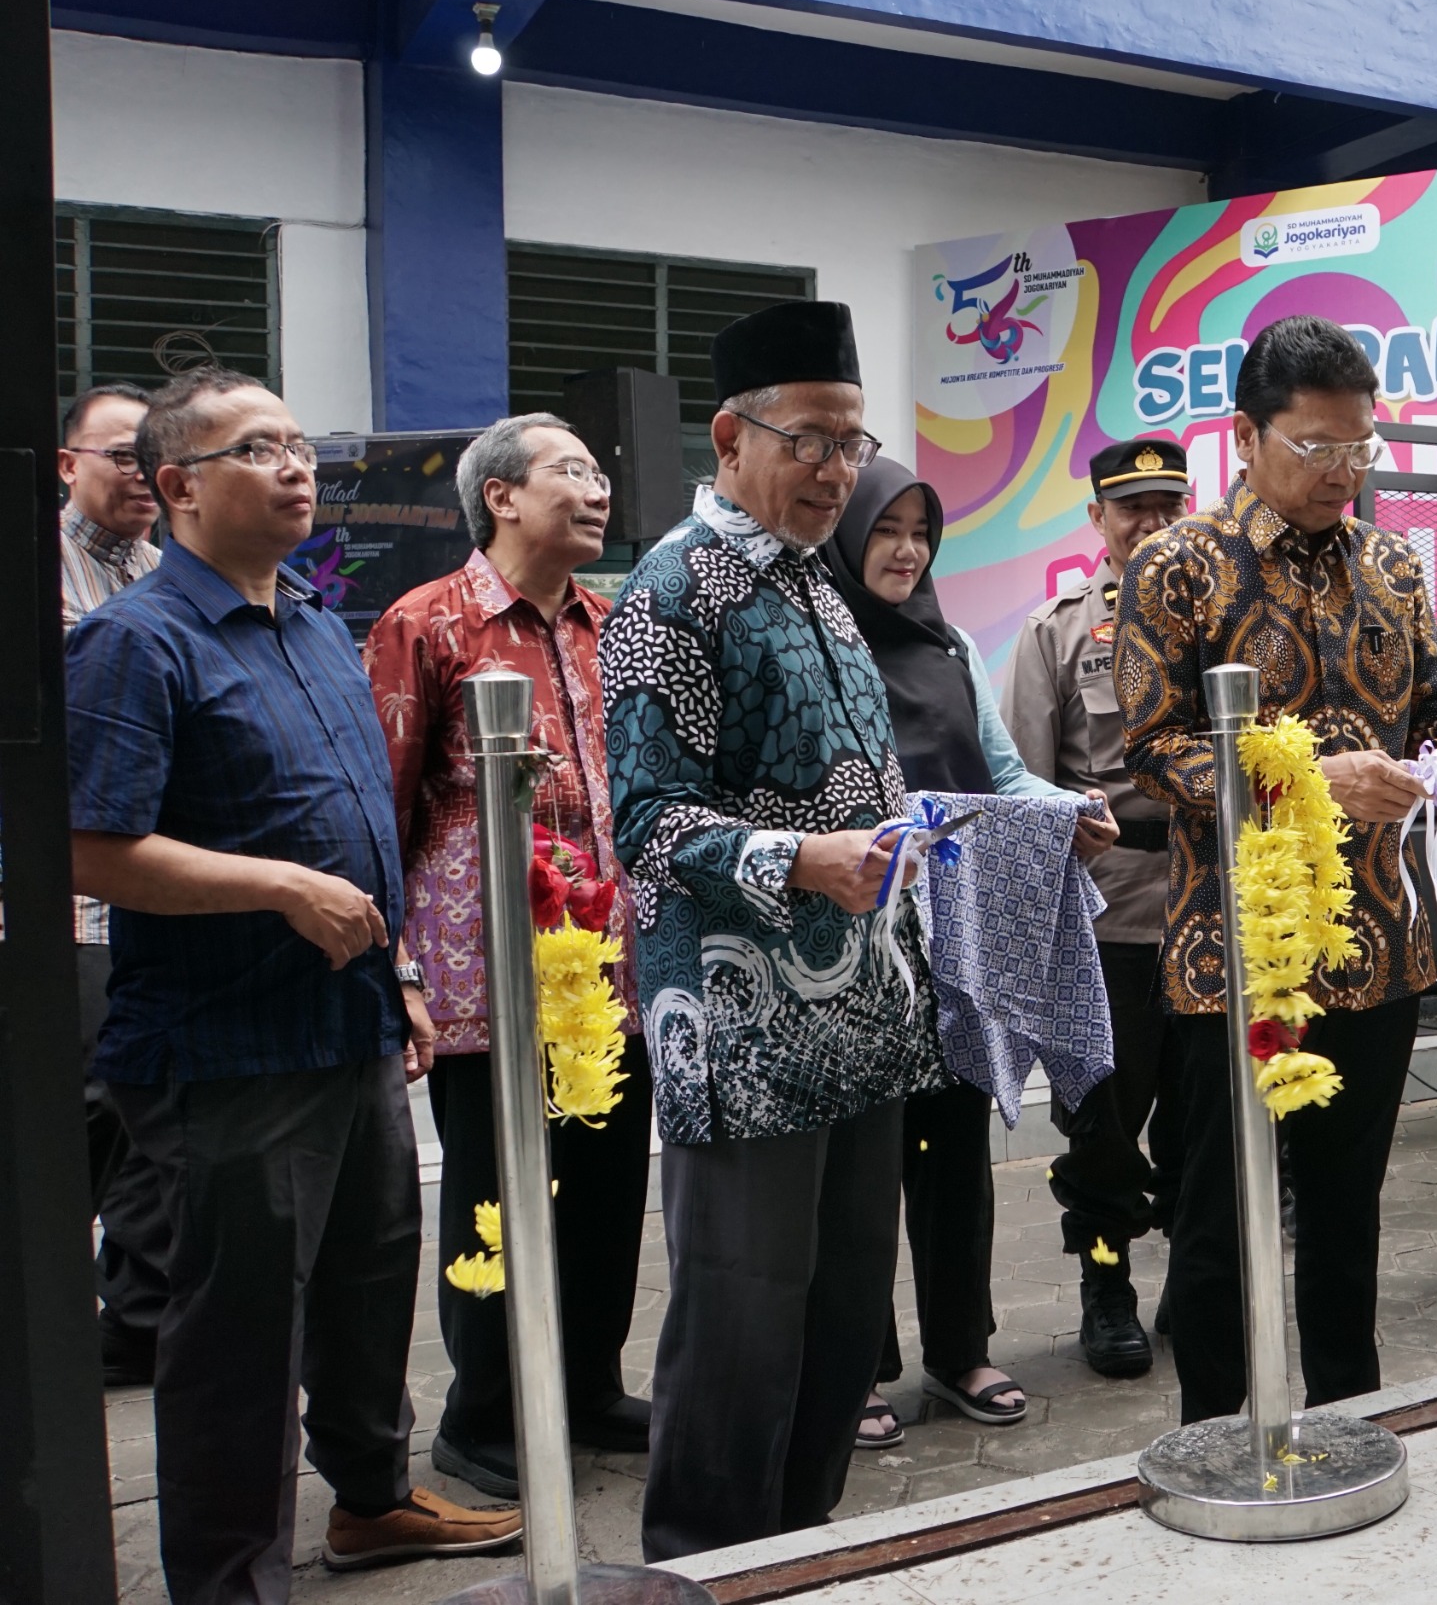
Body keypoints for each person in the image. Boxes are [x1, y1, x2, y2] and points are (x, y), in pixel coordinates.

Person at [66, 365, 522, 1605]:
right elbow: (90, 845)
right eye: (255, 447)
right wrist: (275, 888)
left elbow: (359, 829)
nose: (295, 463)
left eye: (297, 442)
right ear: (177, 487)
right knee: (240, 1339)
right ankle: (228, 1577)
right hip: (228, 1048)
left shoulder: (316, 626)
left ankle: (370, 1502)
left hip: (353, 1021)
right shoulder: (133, 640)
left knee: (374, 1278)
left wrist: (406, 972)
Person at [1116, 314, 1437, 1421]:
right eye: (1317, 449)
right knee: (1220, 1220)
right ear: (1247, 436)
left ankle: (1350, 1418)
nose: (1340, 473)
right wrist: (1316, 777)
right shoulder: (1177, 565)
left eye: (1359, 449)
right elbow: (1154, 754)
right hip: (1237, 960)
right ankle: (1220, 1433)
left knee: (1345, 1211)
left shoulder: (1393, 562)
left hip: (1377, 945)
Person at [603, 300, 942, 1558]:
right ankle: (700, 1564)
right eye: (811, 441)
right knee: (741, 1324)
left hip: (861, 1010)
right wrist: (799, 856)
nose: (836, 471)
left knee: (845, 1321)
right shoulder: (673, 590)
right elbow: (644, 819)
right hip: (741, 1030)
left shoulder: (821, 584)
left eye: (851, 444)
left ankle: (800, 1555)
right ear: (730, 438)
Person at [362, 413, 655, 1500]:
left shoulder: (609, 622)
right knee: (495, 1191)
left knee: (610, 1181)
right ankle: (480, 1412)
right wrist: (394, 965)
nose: (597, 488)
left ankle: (587, 1383)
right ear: (500, 496)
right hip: (486, 973)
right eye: (571, 471)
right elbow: (379, 806)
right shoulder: (426, 623)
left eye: (598, 471)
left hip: (607, 968)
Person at [816, 458, 1112, 1440]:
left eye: (919, 531)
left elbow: (1004, 774)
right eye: (885, 530)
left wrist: (1072, 809)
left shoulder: (947, 643)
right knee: (859, 1169)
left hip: (952, 941)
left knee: (952, 1154)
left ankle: (957, 1350)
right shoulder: (818, 638)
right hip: (851, 940)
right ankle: (852, 1365)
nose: (905, 550)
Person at [1003, 437, 1191, 1379]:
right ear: (1098, 521)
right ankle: (1106, 1286)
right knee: (1105, 1124)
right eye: (1133, 510)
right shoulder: (1058, 633)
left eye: (1169, 505)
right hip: (1109, 915)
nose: (1154, 524)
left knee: (1209, 1116)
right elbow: (1026, 787)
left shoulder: (1225, 621)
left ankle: (1195, 1288)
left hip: (1215, 910)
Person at [56, 379, 172, 1386]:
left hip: (152, 893)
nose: (139, 472)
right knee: (97, 1103)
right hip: (70, 892)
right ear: (66, 464)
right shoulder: (39, 570)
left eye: (151, 455)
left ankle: (132, 1314)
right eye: (118, 455)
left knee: (148, 1108)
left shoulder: (160, 567)